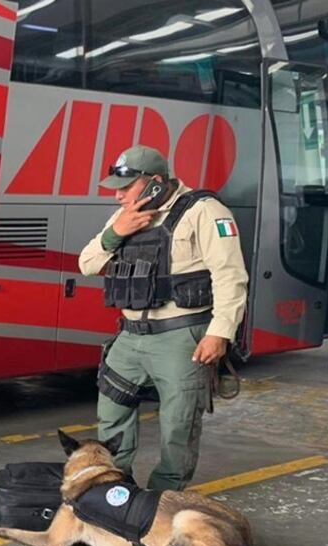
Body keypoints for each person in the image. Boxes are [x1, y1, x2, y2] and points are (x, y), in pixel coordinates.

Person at [78, 146, 248, 491]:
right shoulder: (124, 217)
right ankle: (115, 487)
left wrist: (220, 333)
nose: (118, 195)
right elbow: (88, 264)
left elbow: (230, 275)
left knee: (179, 422)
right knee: (112, 410)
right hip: (130, 335)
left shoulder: (205, 211)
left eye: (126, 188)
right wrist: (117, 232)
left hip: (181, 334)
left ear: (155, 183)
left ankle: (163, 495)